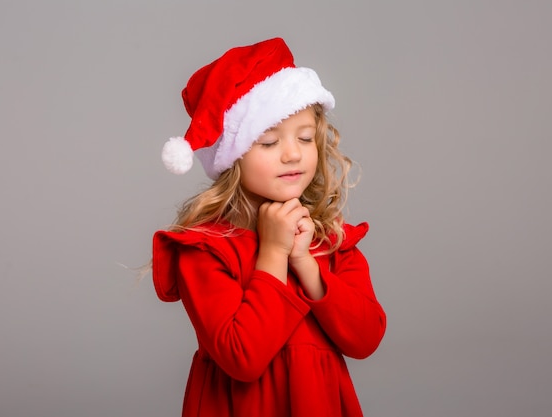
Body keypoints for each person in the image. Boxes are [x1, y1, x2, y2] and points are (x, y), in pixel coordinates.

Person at [151, 37, 386, 417]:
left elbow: (366, 338)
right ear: (233, 157)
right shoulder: (206, 249)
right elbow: (243, 356)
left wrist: (306, 263)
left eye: (305, 137)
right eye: (269, 141)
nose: (293, 153)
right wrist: (274, 254)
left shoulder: (332, 240)